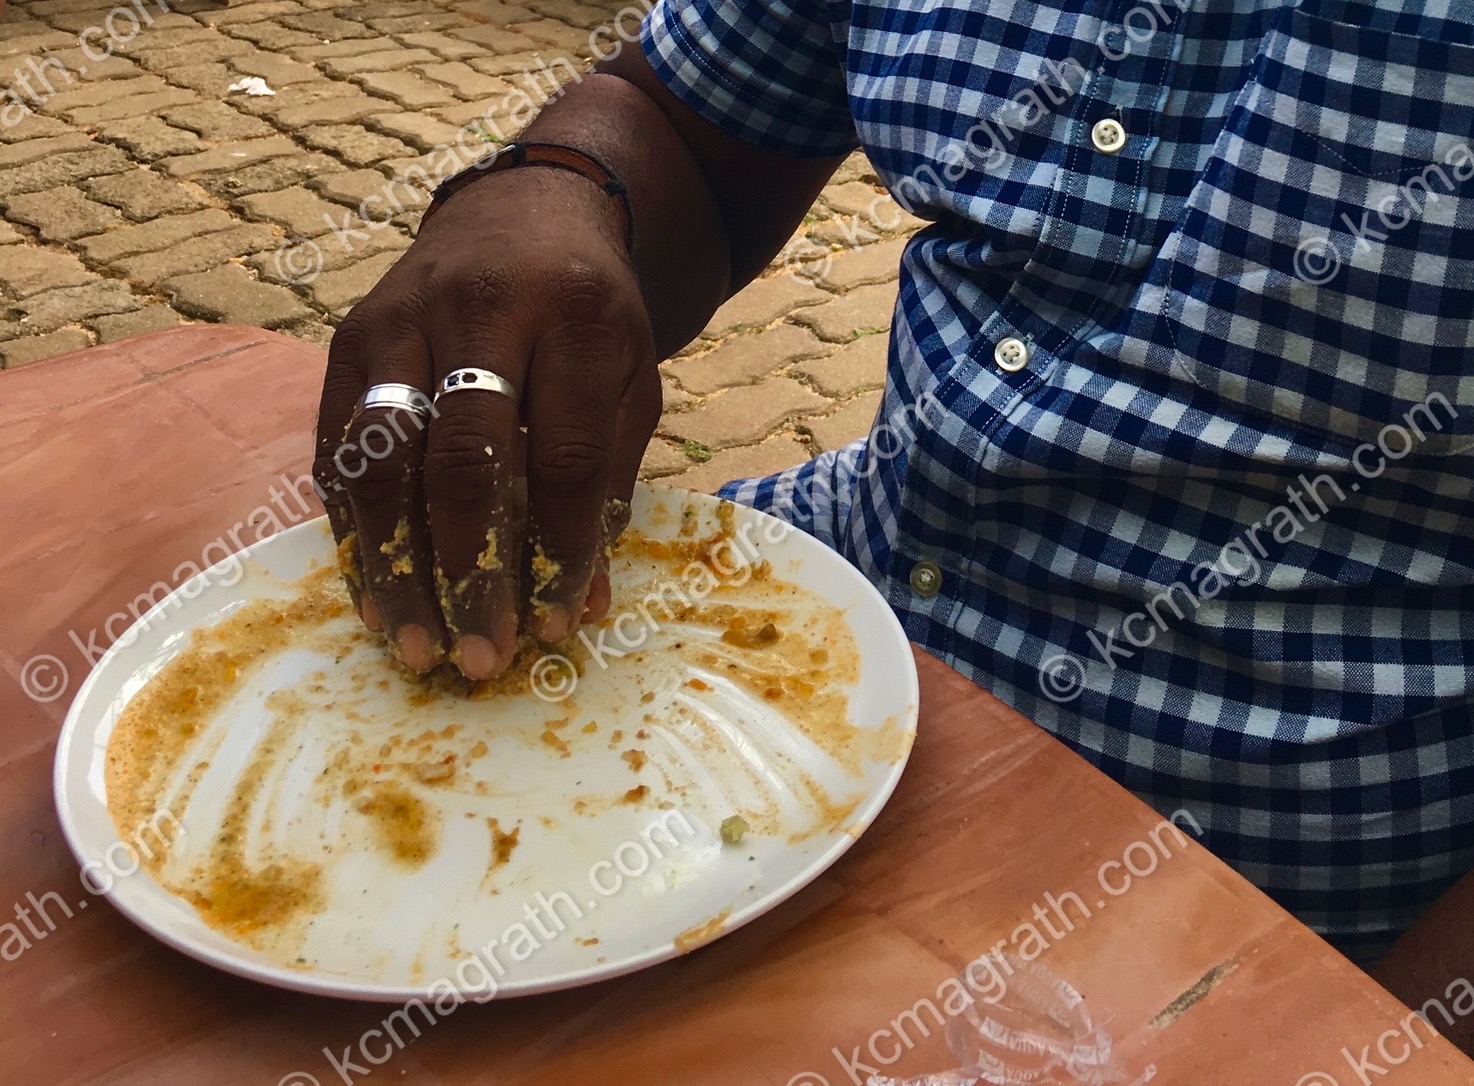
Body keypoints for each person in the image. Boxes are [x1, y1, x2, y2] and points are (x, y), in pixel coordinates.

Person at [314, 0, 1474, 1044]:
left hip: (1253, 907)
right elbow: (682, 119)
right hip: (802, 664)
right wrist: (558, 186)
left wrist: (1369, 1053)